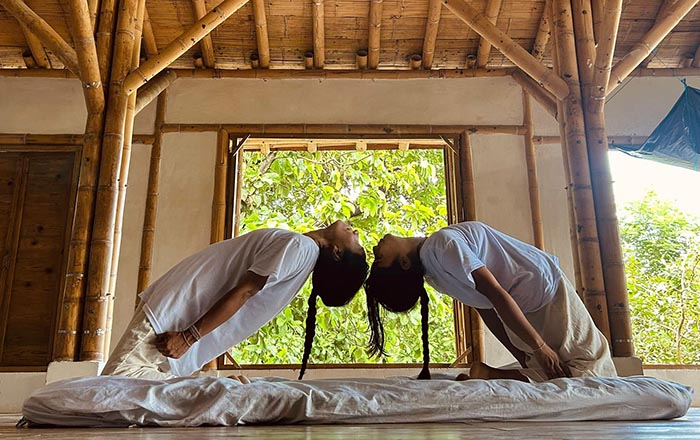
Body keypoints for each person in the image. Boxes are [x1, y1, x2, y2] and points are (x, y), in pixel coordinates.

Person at [102, 220, 368, 381]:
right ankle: (206, 387)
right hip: (173, 311)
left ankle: (214, 387)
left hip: (173, 315)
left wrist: (188, 337)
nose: (355, 230)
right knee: (122, 385)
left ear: (336, 252)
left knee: (115, 383)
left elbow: (246, 291)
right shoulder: (301, 253)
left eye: (355, 239)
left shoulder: (301, 248)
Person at [364, 221, 617, 382]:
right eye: (379, 259)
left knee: (562, 371)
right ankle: (495, 375)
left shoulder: (434, 274)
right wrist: (537, 348)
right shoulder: (441, 245)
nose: (374, 249)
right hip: (544, 291)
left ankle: (494, 375)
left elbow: (486, 307)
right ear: (405, 264)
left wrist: (525, 355)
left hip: (524, 307)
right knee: (597, 370)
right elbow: (492, 294)